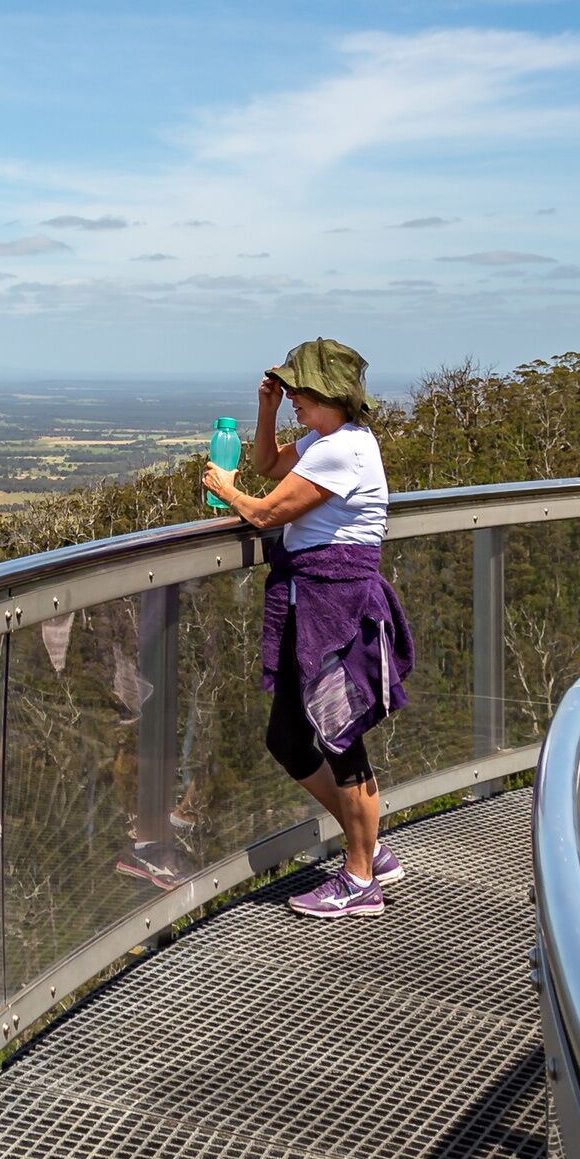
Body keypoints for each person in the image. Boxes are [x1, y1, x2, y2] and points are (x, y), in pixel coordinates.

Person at [200, 338, 411, 919]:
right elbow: (271, 465)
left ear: (329, 395)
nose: (292, 397)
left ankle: (360, 877)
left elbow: (266, 510)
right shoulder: (330, 441)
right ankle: (367, 846)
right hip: (313, 602)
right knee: (291, 737)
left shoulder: (340, 451)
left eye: (298, 390)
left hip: (333, 607)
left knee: (340, 739)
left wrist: (223, 488)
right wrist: (265, 410)